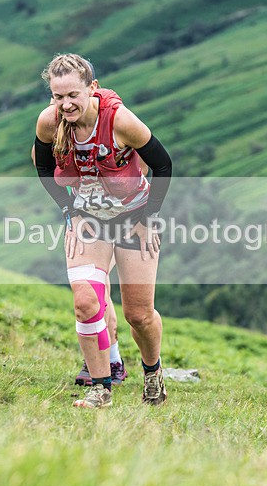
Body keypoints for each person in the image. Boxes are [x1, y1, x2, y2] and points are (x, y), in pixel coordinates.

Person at [34, 53, 172, 408]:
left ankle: (153, 373)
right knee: (85, 302)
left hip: (133, 217)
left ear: (92, 88)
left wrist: (149, 218)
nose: (66, 104)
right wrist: (69, 210)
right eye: (58, 96)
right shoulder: (49, 123)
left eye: (73, 95)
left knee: (138, 315)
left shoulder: (120, 121)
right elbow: (43, 168)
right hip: (87, 219)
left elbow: (163, 165)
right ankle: (101, 388)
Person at [30, 145, 127, 386]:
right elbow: (38, 157)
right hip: (83, 217)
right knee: (94, 288)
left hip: (121, 216)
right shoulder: (58, 130)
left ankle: (109, 361)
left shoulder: (115, 128)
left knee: (98, 287)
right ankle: (109, 360)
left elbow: (142, 167)